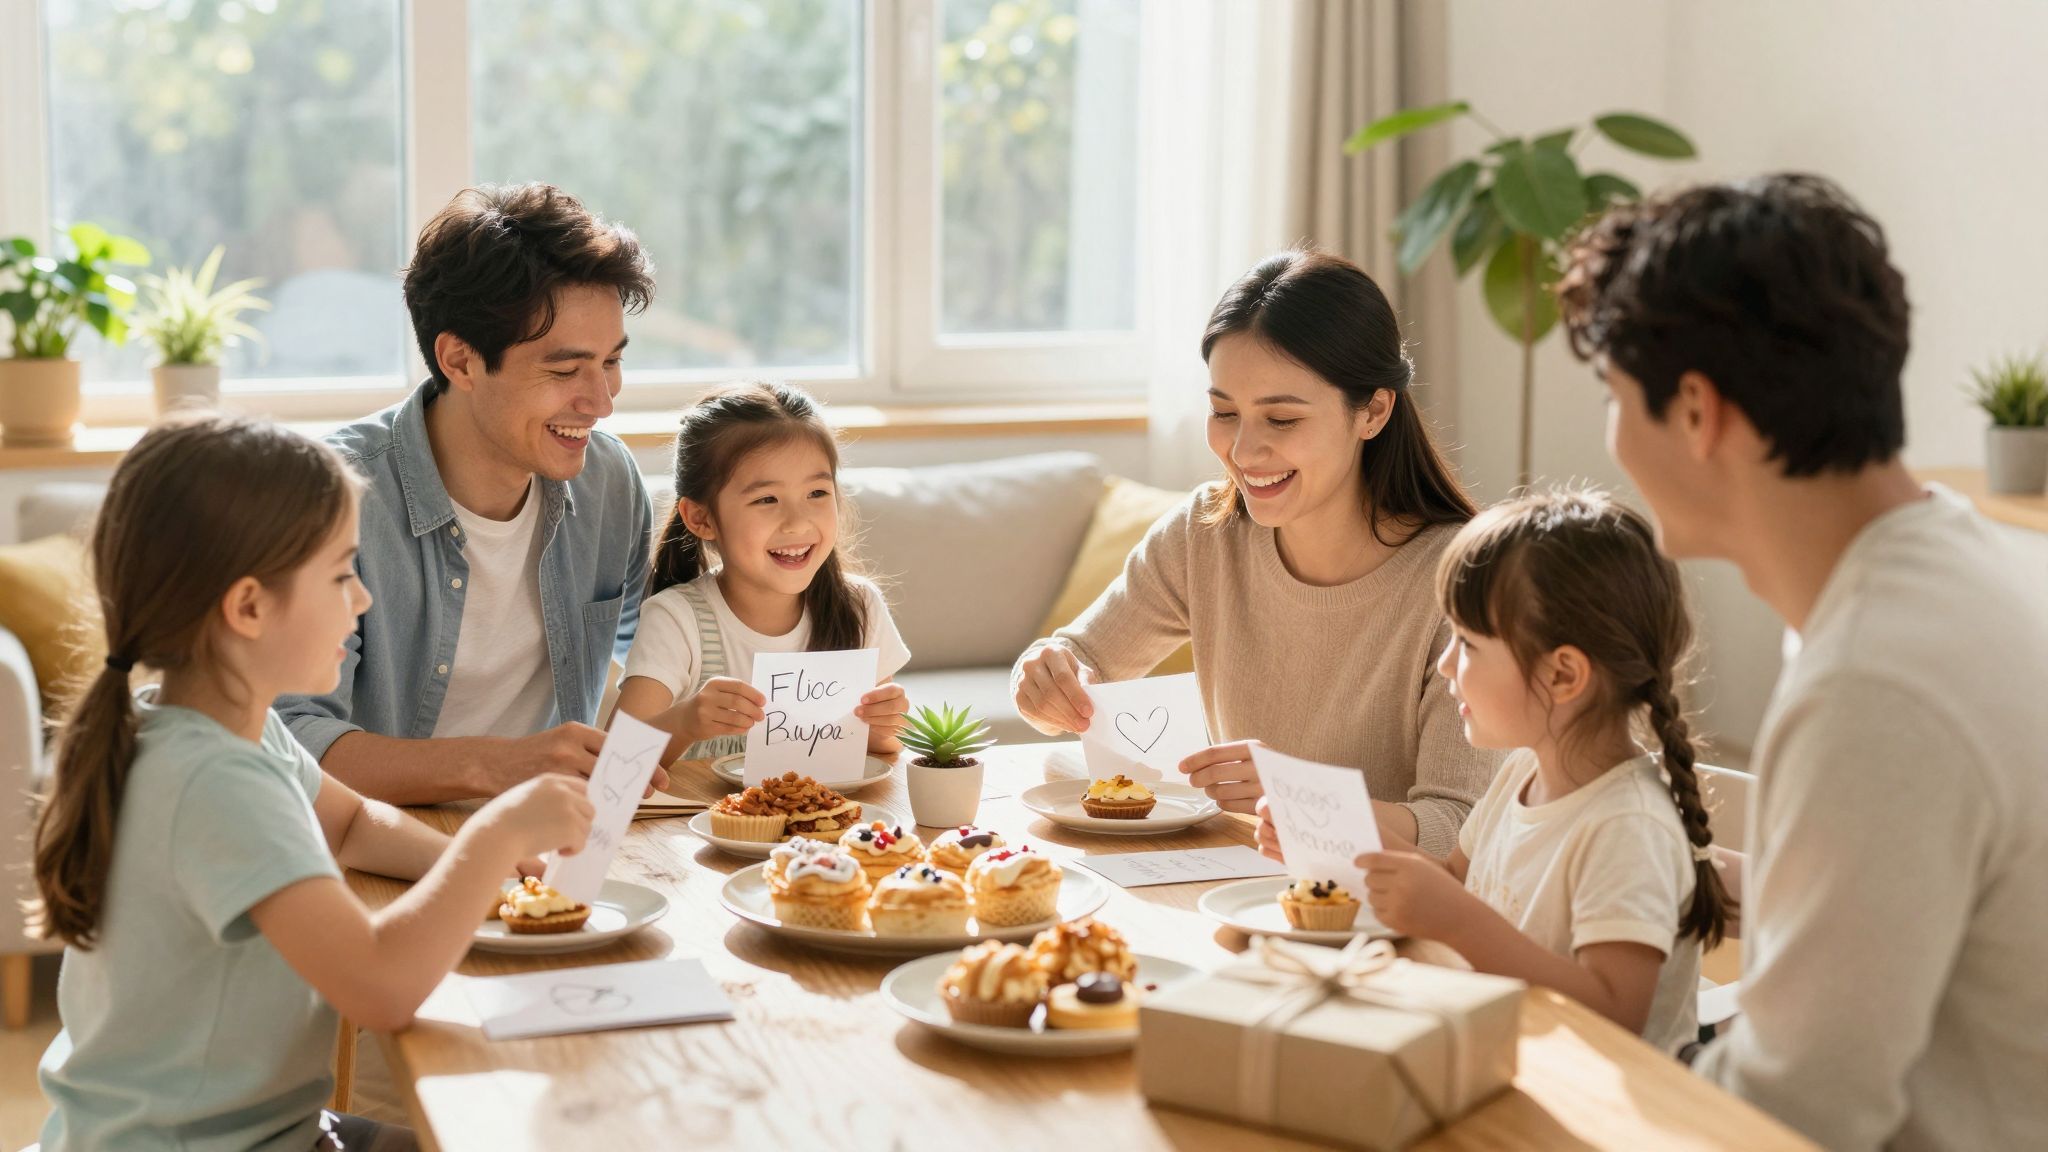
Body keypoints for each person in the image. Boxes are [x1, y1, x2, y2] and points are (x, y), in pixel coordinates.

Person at [1558, 172, 2048, 1149]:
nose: (1609, 437)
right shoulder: (1972, 566)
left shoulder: (1872, 684)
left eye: (1614, 397)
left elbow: (1789, 1112)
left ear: (1695, 411)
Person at [33, 414, 595, 1152]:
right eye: (340, 576)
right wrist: (493, 838)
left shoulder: (220, 728)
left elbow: (355, 825)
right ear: (248, 607)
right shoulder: (213, 782)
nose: (360, 601)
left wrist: (502, 879)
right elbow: (379, 988)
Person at [1011, 249, 1495, 856]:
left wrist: (1298, 794)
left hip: (1380, 923)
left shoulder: (1467, 585)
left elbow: (1461, 833)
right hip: (1238, 889)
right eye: (1223, 412)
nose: (1243, 450)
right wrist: (1046, 677)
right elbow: (1081, 660)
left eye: (1282, 419)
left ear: (1372, 410)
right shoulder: (1203, 537)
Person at [278, 184, 658, 803]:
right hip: (380, 844)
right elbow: (290, 739)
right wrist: (498, 766)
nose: (602, 402)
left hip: (553, 847)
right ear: (459, 360)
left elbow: (667, 651)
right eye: (564, 371)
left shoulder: (609, 482)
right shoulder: (326, 498)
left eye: (611, 361)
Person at [1351, 489, 1730, 1055]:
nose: (1444, 664)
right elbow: (1459, 885)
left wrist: (1457, 923)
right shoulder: (1520, 773)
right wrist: (1357, 843)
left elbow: (1614, 1012)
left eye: (1468, 644)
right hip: (1510, 1056)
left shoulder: (1627, 825)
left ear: (1562, 675)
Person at [615, 381, 911, 762]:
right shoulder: (677, 620)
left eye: (817, 493)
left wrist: (886, 724)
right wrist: (685, 721)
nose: (797, 521)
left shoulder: (860, 605)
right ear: (701, 518)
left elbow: (883, 748)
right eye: (766, 499)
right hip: (700, 822)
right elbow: (613, 768)